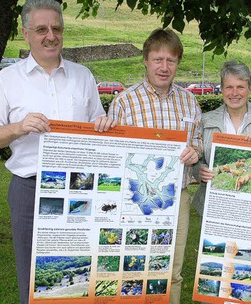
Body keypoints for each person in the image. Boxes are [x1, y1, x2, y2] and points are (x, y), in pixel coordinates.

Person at [0, 0, 114, 302]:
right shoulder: (6, 80)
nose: (50, 36)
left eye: (56, 28)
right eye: (41, 29)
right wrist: (18, 127)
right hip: (30, 190)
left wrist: (104, 124)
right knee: (33, 280)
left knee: (79, 275)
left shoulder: (83, 76)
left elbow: (97, 124)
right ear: (26, 34)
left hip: (81, 189)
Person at [107, 28, 202, 304]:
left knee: (172, 270)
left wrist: (194, 154)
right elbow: (113, 154)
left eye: (171, 60)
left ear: (178, 63)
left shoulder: (189, 101)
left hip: (177, 198)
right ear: (146, 61)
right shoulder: (124, 102)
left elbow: (197, 144)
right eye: (158, 59)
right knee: (134, 266)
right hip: (135, 199)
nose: (164, 67)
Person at [192, 60, 251, 215]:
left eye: (240, 87)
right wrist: (200, 171)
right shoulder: (206, 120)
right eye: (229, 87)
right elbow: (196, 158)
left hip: (250, 208)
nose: (234, 93)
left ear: (250, 89)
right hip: (213, 205)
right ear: (222, 89)